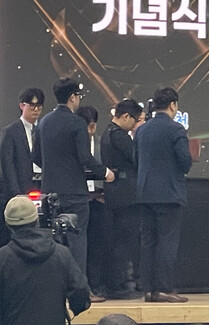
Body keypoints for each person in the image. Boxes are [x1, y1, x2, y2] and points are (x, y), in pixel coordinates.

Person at [32, 78, 114, 303]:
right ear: (72, 97)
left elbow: (36, 157)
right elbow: (84, 157)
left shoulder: (44, 122)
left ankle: (56, 291)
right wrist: (104, 172)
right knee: (77, 241)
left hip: (49, 192)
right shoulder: (77, 123)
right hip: (74, 192)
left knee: (54, 242)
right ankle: (80, 291)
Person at [135, 87, 192, 303]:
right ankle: (165, 288)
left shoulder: (141, 130)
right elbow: (185, 162)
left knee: (147, 242)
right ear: (173, 105)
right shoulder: (176, 129)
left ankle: (149, 290)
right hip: (169, 193)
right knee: (167, 243)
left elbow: (136, 159)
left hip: (145, 193)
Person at [0, 195, 90, 325]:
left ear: (7, 224)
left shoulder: (3, 258)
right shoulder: (61, 254)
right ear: (36, 219)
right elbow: (80, 292)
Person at [101, 99, 144, 300]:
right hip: (126, 196)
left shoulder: (108, 133)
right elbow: (137, 158)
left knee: (120, 240)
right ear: (126, 116)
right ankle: (119, 286)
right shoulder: (119, 136)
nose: (135, 125)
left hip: (116, 193)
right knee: (125, 241)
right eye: (135, 120)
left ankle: (119, 283)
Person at [0, 87, 44, 247]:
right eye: (32, 106)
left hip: (41, 184)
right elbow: (7, 165)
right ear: (22, 105)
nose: (36, 110)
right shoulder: (10, 132)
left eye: (39, 106)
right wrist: (16, 193)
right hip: (19, 188)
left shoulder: (43, 129)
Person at [76, 105, 109, 298]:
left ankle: (95, 285)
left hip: (98, 200)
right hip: (79, 199)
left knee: (96, 245)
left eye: (90, 126)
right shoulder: (71, 145)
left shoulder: (100, 144)